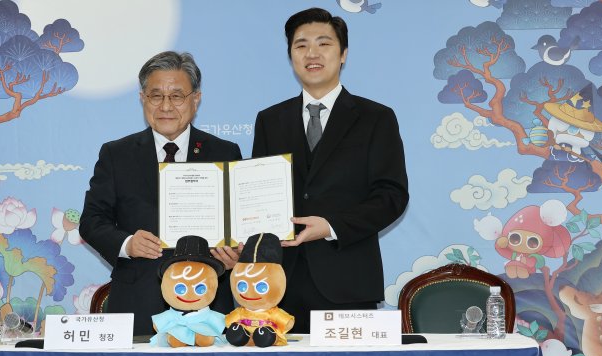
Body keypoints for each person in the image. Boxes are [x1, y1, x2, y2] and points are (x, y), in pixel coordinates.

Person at [252, 7, 409, 333]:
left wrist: (331, 226)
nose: (312, 53)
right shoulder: (269, 120)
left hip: (348, 282)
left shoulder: (376, 118)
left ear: (343, 54)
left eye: (324, 43)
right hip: (280, 284)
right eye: (301, 45)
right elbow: (258, 195)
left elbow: (391, 196)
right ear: (291, 55)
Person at [80, 51, 242, 336]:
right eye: (156, 96)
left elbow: (241, 224)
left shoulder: (225, 153)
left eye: (177, 96)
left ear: (196, 99)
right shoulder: (116, 154)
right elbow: (92, 222)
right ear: (143, 99)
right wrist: (127, 244)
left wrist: (236, 256)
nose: (166, 106)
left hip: (210, 305)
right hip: (139, 305)